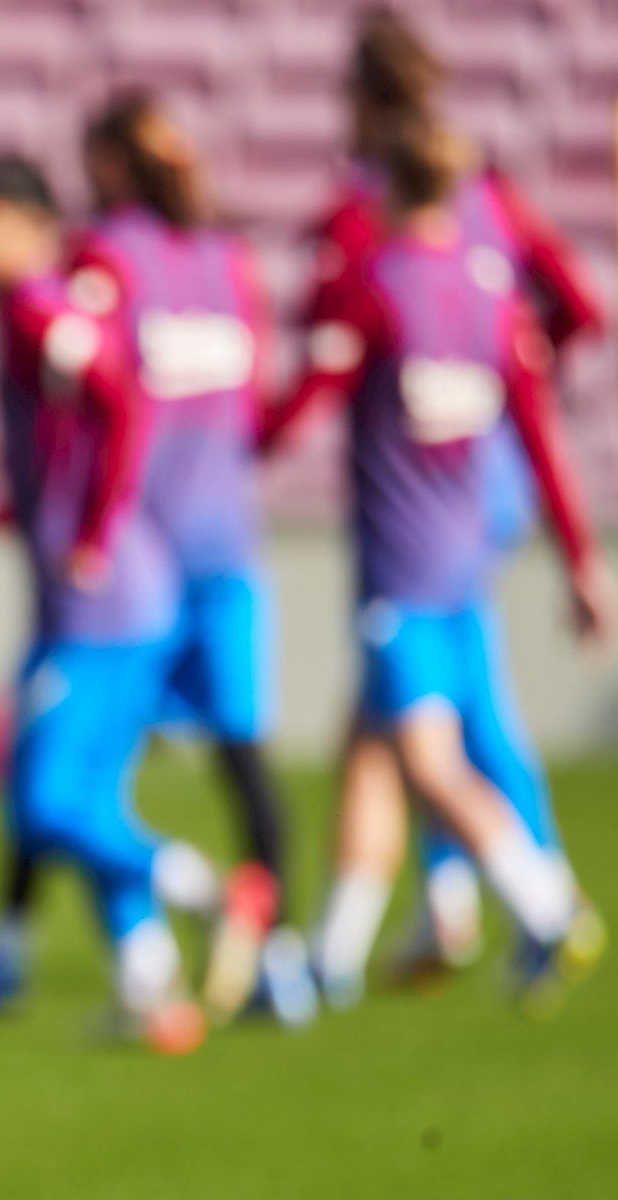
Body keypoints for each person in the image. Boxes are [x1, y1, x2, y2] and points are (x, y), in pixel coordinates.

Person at [262, 115, 614, 1010]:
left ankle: (548, 909)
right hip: (466, 568)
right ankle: (329, 962)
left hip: (403, 574)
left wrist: (241, 437)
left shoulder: (378, 288)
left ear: (385, 190)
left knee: (428, 762)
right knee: (370, 750)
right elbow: (537, 438)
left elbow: (307, 402)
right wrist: (580, 561)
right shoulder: (494, 294)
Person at [0, 155, 212, 1052]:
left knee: (45, 802)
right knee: (78, 795)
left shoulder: (39, 308)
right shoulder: (22, 311)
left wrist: (98, 534)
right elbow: (58, 471)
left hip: (104, 612)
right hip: (95, 607)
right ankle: (149, 988)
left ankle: (211, 892)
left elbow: (126, 399)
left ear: (35, 229)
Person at [69, 92, 311, 1024]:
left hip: (143, 561)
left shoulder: (107, 257)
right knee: (244, 759)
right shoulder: (230, 261)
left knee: (93, 771)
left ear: (112, 164)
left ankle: (143, 965)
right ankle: (278, 962)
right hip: (230, 547)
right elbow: (262, 415)